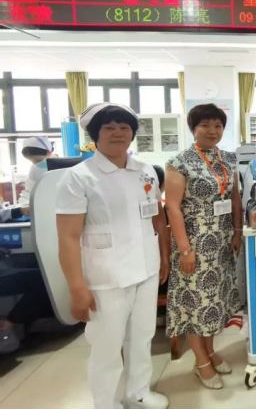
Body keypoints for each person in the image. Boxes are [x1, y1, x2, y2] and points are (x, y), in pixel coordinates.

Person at [56, 103, 171, 410]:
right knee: (107, 346)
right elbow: (67, 237)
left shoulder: (145, 171)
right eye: (109, 128)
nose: (118, 133)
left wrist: (164, 256)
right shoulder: (79, 177)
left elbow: (157, 216)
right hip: (106, 276)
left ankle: (139, 393)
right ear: (95, 134)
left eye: (124, 127)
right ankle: (105, 403)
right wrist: (76, 288)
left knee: (142, 336)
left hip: (147, 268)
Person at [165, 104, 242, 390]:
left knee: (214, 301)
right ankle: (200, 361)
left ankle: (210, 351)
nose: (212, 131)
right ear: (193, 128)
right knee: (195, 303)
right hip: (194, 243)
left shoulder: (229, 159)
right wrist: (185, 249)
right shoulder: (180, 162)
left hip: (221, 243)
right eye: (205, 125)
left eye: (218, 126)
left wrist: (237, 232)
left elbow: (235, 199)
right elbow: (173, 207)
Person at [17, 136, 57, 207]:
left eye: (38, 161)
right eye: (32, 161)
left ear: (49, 153)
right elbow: (29, 191)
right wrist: (24, 204)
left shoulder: (64, 166)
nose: (35, 164)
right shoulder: (34, 169)